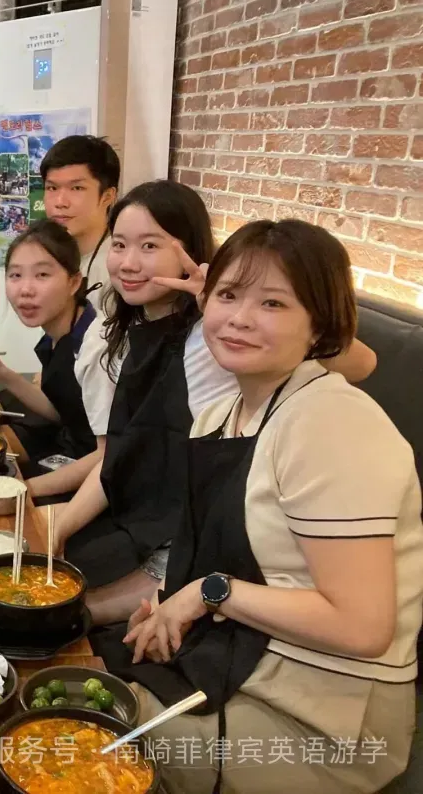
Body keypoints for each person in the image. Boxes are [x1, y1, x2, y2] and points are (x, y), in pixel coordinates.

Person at [103, 220, 421, 794]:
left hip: (323, 719)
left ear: (320, 323)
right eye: (227, 295)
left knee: (81, 741)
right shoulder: (225, 415)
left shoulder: (331, 423)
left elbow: (364, 626)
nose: (239, 318)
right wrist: (165, 607)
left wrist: (206, 594)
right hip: (235, 661)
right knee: (73, 688)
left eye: (272, 302)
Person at [56, 181, 376, 626]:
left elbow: (361, 361)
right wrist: (57, 528)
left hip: (204, 548)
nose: (128, 262)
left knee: (63, 619)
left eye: (149, 245)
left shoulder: (223, 344)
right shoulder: (132, 330)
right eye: (120, 245)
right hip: (150, 518)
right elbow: (119, 458)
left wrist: (220, 305)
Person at [0, 220, 107, 497]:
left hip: (97, 481)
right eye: (15, 275)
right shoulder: (58, 333)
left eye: (42, 275)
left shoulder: (93, 345)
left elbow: (107, 455)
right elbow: (62, 411)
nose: (25, 289)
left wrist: (22, 490)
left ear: (73, 282)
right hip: (69, 449)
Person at [40, 135, 119, 311]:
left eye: (76, 188)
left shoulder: (121, 268)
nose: (60, 202)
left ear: (107, 196)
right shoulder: (42, 255)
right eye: (52, 188)